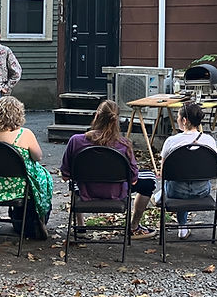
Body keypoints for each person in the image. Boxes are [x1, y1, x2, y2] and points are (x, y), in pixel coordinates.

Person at [60, 100, 156, 239]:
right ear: (117, 120)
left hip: (85, 191)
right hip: (116, 192)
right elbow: (134, 179)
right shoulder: (124, 145)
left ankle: (80, 226)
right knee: (150, 179)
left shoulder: (75, 141)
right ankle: (134, 226)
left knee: (74, 181)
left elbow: (65, 176)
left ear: (97, 116)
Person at [0, 96, 53, 240]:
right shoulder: (25, 134)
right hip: (17, 187)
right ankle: (40, 219)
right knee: (43, 176)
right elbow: (38, 157)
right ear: (19, 114)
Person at [158, 102, 217, 239]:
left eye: (178, 117)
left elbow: (163, 173)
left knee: (179, 181)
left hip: (175, 192)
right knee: (189, 177)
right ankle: (183, 228)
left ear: (184, 120)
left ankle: (182, 226)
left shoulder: (171, 141)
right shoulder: (209, 141)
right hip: (202, 191)